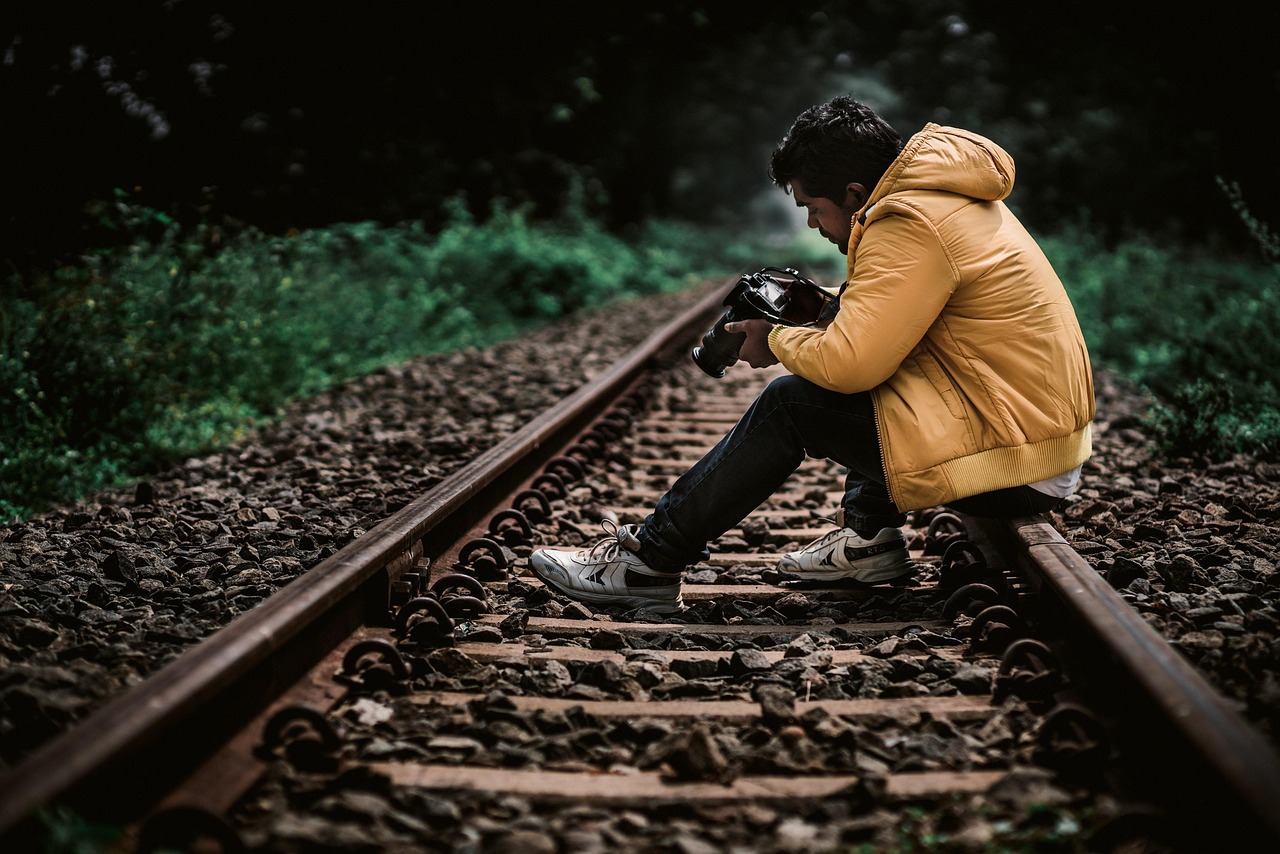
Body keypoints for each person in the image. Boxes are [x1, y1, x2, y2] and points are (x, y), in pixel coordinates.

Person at [528, 95, 1095, 615]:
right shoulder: (943, 200)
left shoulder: (908, 223)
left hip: (1016, 461)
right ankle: (869, 537)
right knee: (866, 368)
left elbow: (852, 367)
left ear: (853, 192)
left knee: (791, 404)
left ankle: (646, 562)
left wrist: (774, 341)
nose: (811, 224)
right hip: (1033, 439)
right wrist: (825, 313)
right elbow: (904, 334)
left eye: (814, 207)